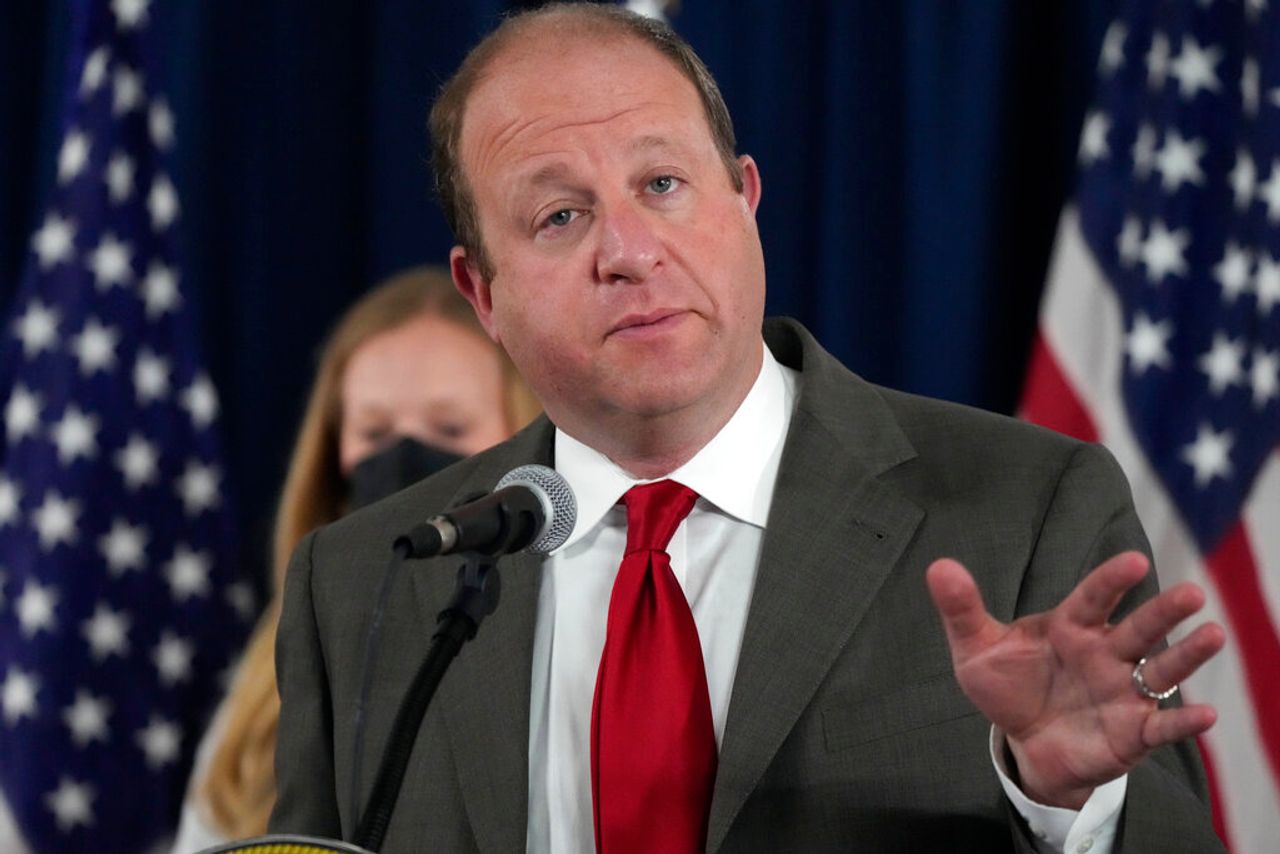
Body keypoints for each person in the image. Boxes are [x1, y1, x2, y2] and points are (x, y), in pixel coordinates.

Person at [270, 5, 1226, 852]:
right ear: (482, 291)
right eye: (559, 216)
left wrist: (1068, 804)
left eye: (662, 184)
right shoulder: (358, 588)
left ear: (746, 199)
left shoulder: (1024, 508)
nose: (629, 251)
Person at [171, 266, 540, 851]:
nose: (405, 455)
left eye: (449, 427)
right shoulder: (273, 673)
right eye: (374, 432)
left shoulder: (562, 635)